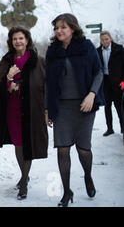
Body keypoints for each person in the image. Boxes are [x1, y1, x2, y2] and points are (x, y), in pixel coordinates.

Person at [45, 13, 104, 207]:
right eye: (56, 28)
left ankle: (87, 175)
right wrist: (47, 109)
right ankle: (67, 191)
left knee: (83, 148)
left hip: (84, 105)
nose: (59, 31)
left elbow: (98, 72)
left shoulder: (85, 47)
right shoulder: (52, 51)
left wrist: (92, 94)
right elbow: (48, 83)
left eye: (63, 27)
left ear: (73, 28)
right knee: (62, 149)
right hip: (61, 107)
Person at [0, 26, 48, 200]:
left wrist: (19, 86)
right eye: (14, 39)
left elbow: (43, 86)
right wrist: (8, 79)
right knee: (19, 144)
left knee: (28, 144)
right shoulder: (6, 61)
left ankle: (24, 181)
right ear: (11, 42)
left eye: (21, 38)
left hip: (32, 109)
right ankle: (24, 177)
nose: (18, 41)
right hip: (12, 108)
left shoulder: (38, 61)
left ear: (27, 40)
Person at [97, 31, 124, 136]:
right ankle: (109, 128)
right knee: (107, 106)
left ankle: (123, 128)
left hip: (117, 82)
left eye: (106, 39)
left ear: (110, 38)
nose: (104, 41)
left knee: (119, 106)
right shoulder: (98, 51)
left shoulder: (119, 49)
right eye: (102, 39)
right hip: (105, 82)